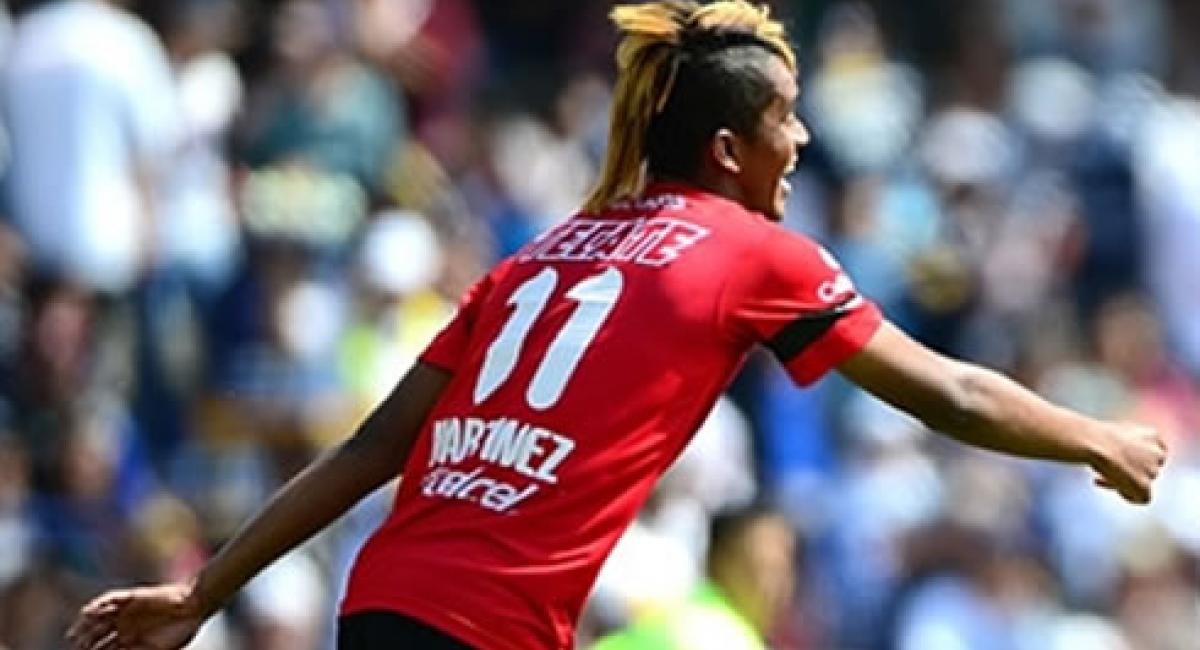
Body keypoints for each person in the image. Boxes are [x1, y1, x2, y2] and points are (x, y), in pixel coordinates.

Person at [67, 2, 1166, 649]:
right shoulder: (754, 252)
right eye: (785, 118)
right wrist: (1096, 436)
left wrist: (206, 589)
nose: (804, 138)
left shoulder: (542, 252)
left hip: (384, 604)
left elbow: (370, 449)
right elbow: (949, 390)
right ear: (728, 150)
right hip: (489, 626)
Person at [592, 504, 795, 650]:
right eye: (763, 567)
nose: (776, 584)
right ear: (719, 561)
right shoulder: (714, 636)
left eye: (783, 567)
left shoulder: (682, 610)